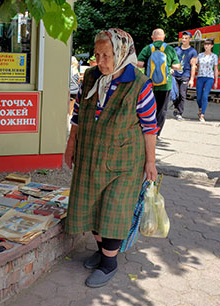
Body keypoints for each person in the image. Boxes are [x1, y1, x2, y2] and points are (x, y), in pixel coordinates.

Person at [65, 28, 158, 288]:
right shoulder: (89, 76)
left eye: (107, 55)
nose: (101, 61)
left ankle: (109, 263)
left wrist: (150, 162)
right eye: (97, 54)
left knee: (113, 209)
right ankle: (100, 251)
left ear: (121, 53)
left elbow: (150, 127)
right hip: (91, 153)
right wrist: (70, 144)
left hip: (124, 160)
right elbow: (78, 115)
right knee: (93, 204)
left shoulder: (139, 84)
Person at [138, 28, 180, 135]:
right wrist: (169, 66)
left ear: (152, 37)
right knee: (162, 110)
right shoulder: (170, 49)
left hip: (149, 84)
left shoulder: (148, 48)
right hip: (165, 85)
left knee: (148, 107)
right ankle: (157, 132)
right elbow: (177, 66)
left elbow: (139, 63)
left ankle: (147, 130)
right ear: (164, 37)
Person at [172, 31, 198, 120]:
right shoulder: (176, 49)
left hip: (185, 75)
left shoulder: (193, 51)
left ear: (190, 39)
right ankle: (176, 106)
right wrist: (171, 68)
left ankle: (179, 113)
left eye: (186, 38)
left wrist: (192, 79)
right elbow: (171, 61)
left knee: (182, 94)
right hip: (175, 74)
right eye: (183, 38)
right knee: (175, 93)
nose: (184, 40)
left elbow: (193, 66)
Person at [194, 39, 218, 122]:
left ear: (212, 46)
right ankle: (200, 108)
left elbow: (215, 69)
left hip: (209, 77)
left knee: (205, 96)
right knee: (198, 97)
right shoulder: (200, 55)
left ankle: (202, 114)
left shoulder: (214, 56)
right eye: (205, 44)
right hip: (200, 77)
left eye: (208, 45)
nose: (206, 46)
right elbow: (196, 66)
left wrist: (216, 81)